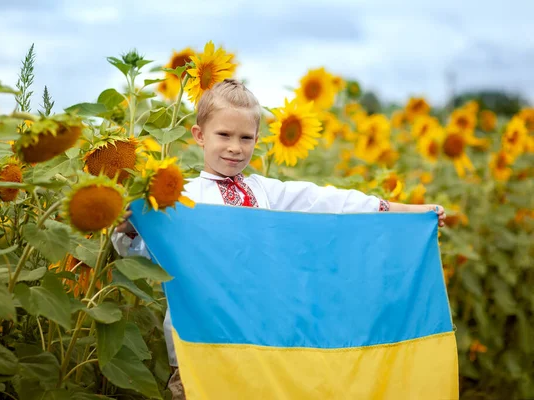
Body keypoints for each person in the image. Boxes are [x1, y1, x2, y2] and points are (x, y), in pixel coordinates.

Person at [112, 79, 446, 399]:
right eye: (224, 134)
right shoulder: (178, 195)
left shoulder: (265, 191)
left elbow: (329, 202)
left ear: (257, 139)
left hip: (265, 349)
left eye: (246, 137)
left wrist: (408, 211)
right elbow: (143, 255)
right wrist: (127, 229)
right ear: (199, 135)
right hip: (198, 349)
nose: (234, 147)